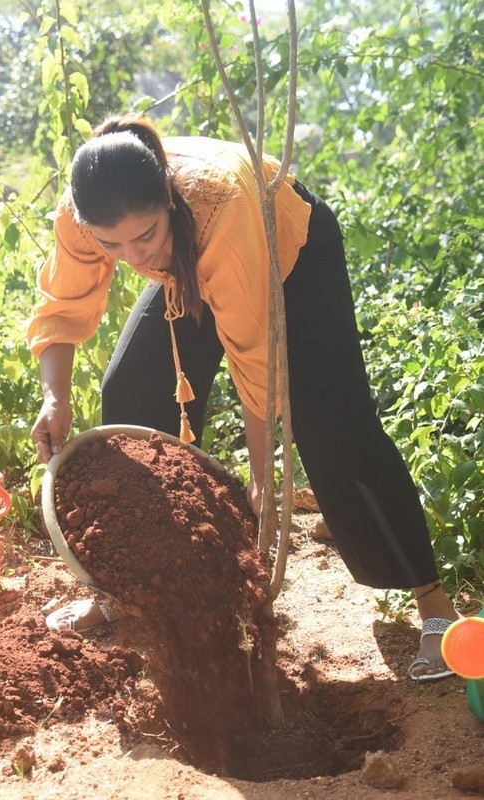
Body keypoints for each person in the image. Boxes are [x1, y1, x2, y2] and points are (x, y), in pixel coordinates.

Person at [28, 113, 459, 681]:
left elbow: (252, 354)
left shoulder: (215, 199)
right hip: (189, 265)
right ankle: (126, 590)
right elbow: (61, 309)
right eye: (113, 244)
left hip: (290, 249)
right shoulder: (81, 212)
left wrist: (262, 475)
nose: (131, 256)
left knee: (334, 427)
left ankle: (434, 607)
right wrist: (54, 399)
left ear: (167, 201)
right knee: (130, 389)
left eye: (145, 235)